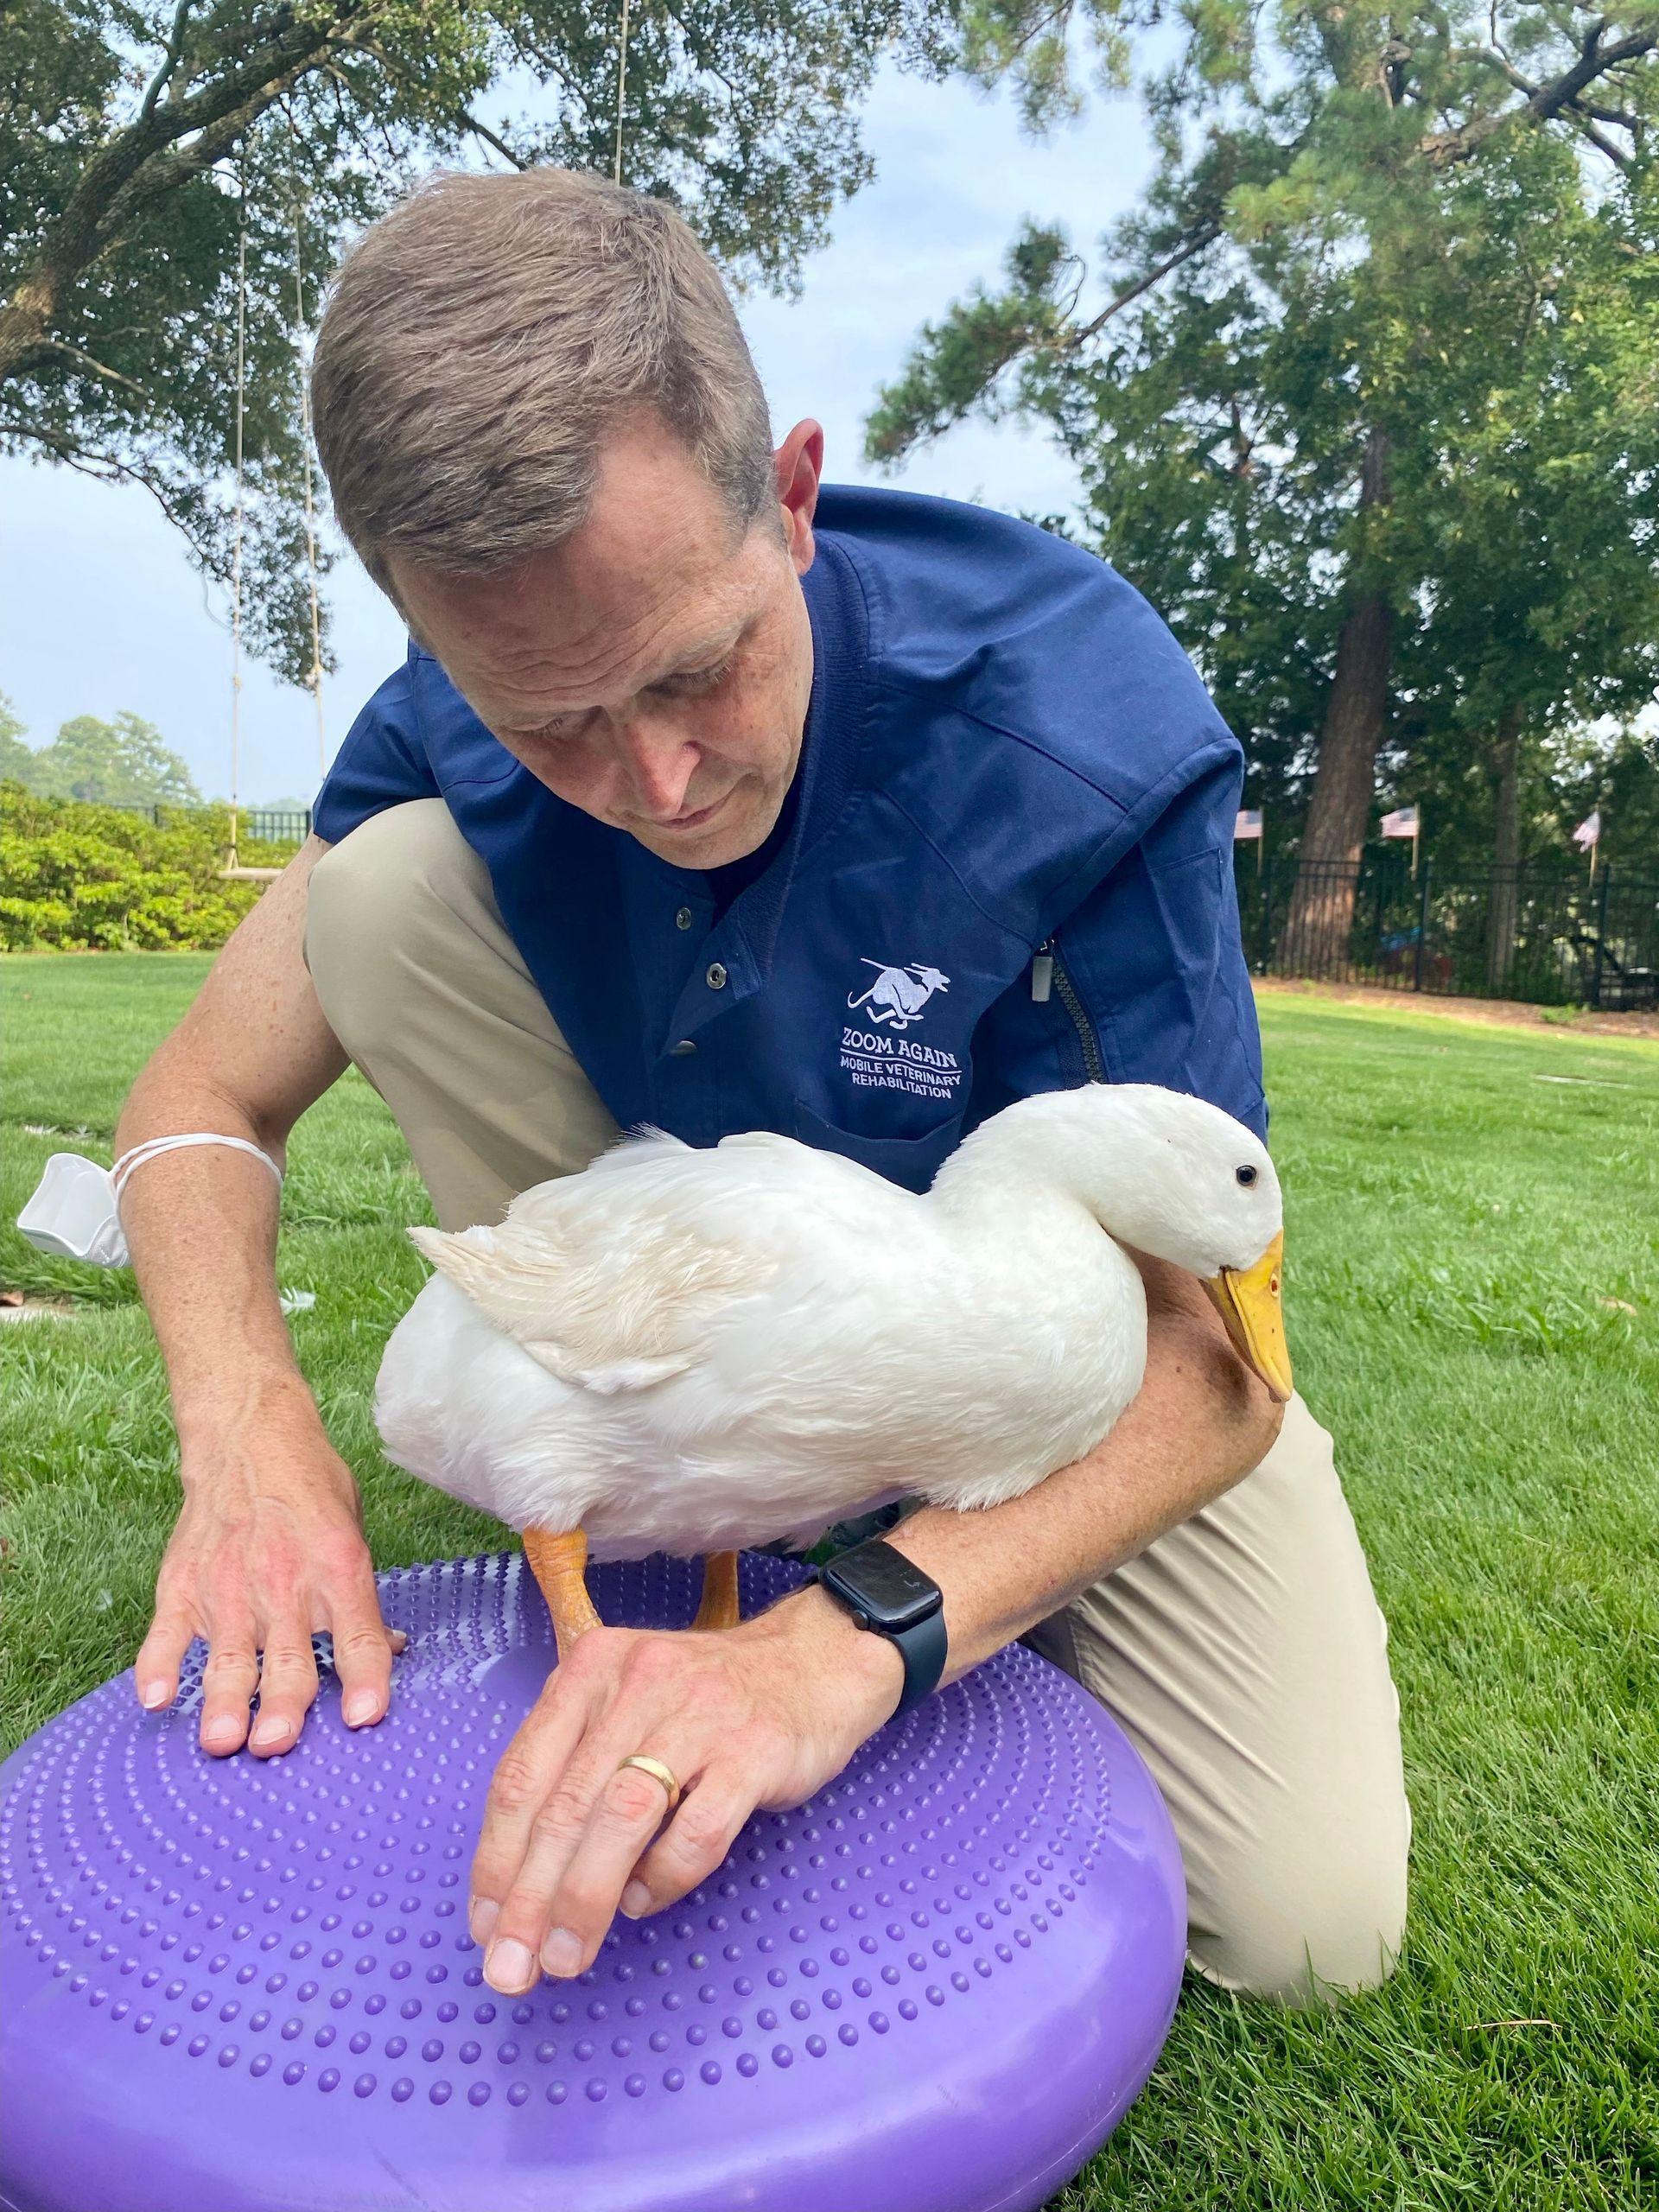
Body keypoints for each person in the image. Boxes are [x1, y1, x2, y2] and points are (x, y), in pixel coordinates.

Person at [114, 168, 1408, 2011]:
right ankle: (639, 1474)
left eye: (698, 668)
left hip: (1046, 1353)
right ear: (429, 620)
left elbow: (1218, 1364)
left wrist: (856, 1636)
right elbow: (198, 1094)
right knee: (384, 882)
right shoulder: (448, 707)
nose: (653, 778)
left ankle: (825, 1541)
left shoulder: (1077, 728)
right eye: (551, 721)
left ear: (790, 498)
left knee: (1309, 1921)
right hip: (683, 1280)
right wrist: (243, 1429)